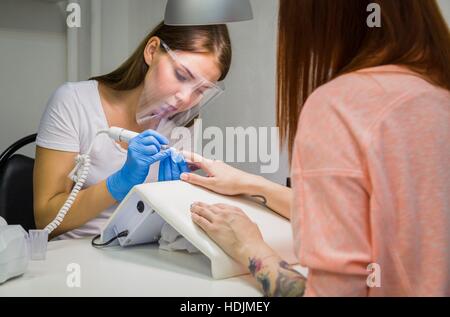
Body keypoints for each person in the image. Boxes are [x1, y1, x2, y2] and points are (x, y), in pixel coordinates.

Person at [181, 0, 450, 296]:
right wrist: (250, 184)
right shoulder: (435, 92)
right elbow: (390, 216)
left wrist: (249, 248)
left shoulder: (342, 106)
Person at [33, 23, 232, 240]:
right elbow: (45, 219)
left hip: (144, 254)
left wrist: (176, 198)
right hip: (74, 258)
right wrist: (117, 184)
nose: (185, 98)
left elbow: (170, 225)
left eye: (200, 90)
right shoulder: (74, 102)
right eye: (181, 76)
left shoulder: (184, 124)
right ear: (152, 51)